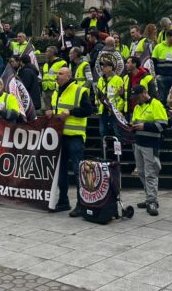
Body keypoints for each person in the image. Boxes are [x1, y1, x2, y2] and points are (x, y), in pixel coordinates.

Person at [48, 67, 93, 216]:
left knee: (78, 171)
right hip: (59, 137)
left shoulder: (79, 90)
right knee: (61, 171)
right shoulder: (56, 92)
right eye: (57, 74)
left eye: (60, 74)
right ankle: (63, 201)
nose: (57, 76)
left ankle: (82, 203)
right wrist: (49, 112)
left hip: (74, 137)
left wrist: (71, 112)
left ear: (68, 76)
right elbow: (57, 112)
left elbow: (88, 110)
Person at [130, 85, 168, 216]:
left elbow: (162, 125)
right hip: (138, 143)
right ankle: (149, 198)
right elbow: (135, 123)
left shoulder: (156, 104)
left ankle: (152, 201)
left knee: (150, 173)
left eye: (137, 96)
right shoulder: (137, 107)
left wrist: (144, 126)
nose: (135, 99)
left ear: (144, 93)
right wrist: (131, 126)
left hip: (151, 144)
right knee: (141, 172)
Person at [96, 61, 125, 138]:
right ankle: (105, 149)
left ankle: (118, 149)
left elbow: (121, 95)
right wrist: (97, 103)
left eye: (105, 66)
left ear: (111, 68)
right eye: (102, 67)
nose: (103, 68)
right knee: (102, 131)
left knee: (117, 132)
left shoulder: (118, 79)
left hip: (114, 109)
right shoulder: (101, 79)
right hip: (103, 109)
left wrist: (118, 109)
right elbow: (98, 93)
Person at [152, 30, 172, 103]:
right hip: (161, 76)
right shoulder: (158, 47)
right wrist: (157, 74)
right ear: (168, 37)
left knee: (171, 97)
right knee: (162, 97)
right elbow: (153, 62)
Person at [41, 46, 67, 110]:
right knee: (48, 110)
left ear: (52, 53)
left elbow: (65, 76)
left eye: (47, 51)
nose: (45, 53)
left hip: (55, 89)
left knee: (56, 108)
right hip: (45, 89)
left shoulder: (61, 63)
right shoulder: (46, 63)